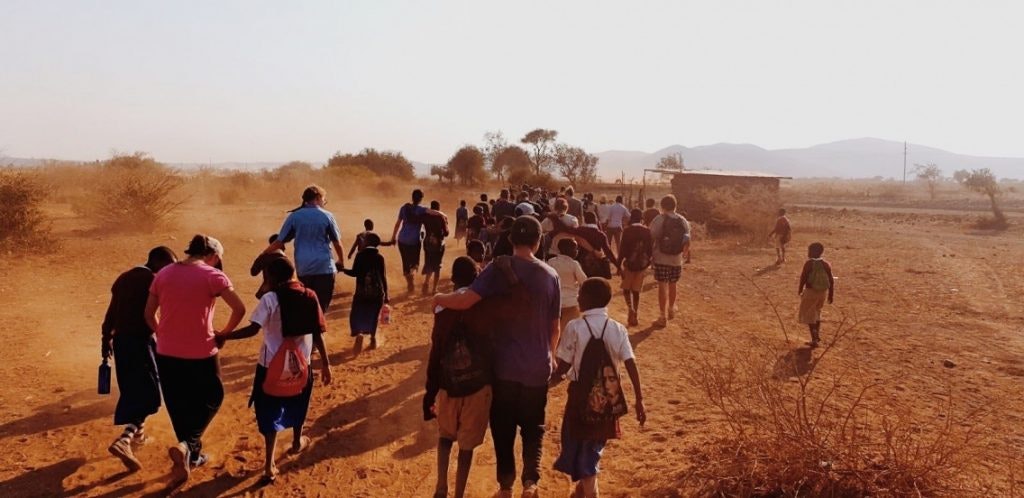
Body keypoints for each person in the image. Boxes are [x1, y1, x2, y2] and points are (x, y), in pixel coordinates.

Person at [433, 216, 561, 498]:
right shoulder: (551, 276)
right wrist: (549, 356)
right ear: (538, 242)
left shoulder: (497, 269)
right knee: (533, 427)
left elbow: (466, 300)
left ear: (511, 240)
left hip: (503, 368)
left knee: (503, 428)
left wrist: (440, 298)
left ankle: (505, 487)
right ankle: (530, 483)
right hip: (537, 367)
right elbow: (555, 327)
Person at [216, 257, 332, 484]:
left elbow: (252, 330)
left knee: (269, 411)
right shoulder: (309, 295)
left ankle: (269, 464)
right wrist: (326, 364)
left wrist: (224, 336)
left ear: (270, 277)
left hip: (270, 366)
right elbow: (317, 333)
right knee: (299, 401)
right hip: (301, 365)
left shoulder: (271, 299)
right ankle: (297, 442)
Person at [144, 235, 246, 485]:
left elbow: (148, 313)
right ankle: (189, 445)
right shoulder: (212, 275)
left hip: (167, 352)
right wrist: (223, 333)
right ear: (212, 256)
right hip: (201, 351)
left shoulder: (164, 273)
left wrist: (163, 334)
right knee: (213, 396)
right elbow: (239, 309)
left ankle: (190, 454)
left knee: (178, 402)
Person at [551, 278, 646, 498]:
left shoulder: (574, 327)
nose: (577, 297)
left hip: (579, 398)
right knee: (593, 446)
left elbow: (562, 366)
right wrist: (639, 399)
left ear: (587, 299)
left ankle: (590, 492)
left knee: (578, 445)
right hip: (607, 400)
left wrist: (546, 378)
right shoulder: (617, 328)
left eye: (580, 294)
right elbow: (630, 363)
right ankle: (583, 490)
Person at [102, 246, 178, 472]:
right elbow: (156, 315)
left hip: (121, 344)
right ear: (157, 262)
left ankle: (138, 438)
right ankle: (125, 439)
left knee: (135, 390)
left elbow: (111, 314)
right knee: (149, 394)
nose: (170, 271)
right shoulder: (154, 280)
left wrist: (105, 341)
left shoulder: (123, 278)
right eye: (169, 266)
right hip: (141, 343)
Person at [424, 257, 491, 498]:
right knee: (466, 446)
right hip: (478, 385)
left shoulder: (442, 309)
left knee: (445, 437)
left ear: (453, 279)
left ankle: (441, 486)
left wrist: (430, 391)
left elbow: (436, 351)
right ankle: (459, 493)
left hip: (448, 385)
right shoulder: (486, 305)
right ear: (477, 278)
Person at [262, 185, 345, 313]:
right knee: (321, 307)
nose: (324, 202)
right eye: (324, 199)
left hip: (304, 268)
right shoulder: (327, 216)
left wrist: (264, 254)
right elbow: (337, 242)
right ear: (317, 198)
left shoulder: (295, 217)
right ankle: (319, 330)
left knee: (306, 305)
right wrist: (341, 261)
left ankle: (309, 332)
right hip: (324, 267)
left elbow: (279, 241)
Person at [391, 189, 446, 294]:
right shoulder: (421, 209)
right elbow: (434, 212)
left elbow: (397, 224)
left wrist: (393, 237)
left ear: (412, 197)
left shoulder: (404, 208)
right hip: (414, 241)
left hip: (402, 240)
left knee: (405, 262)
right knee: (414, 262)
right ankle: (411, 275)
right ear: (421, 199)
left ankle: (409, 282)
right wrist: (443, 215)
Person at [341, 233, 389, 353]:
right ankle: (373, 338)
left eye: (364, 240)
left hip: (362, 292)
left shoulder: (360, 255)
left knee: (357, 314)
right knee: (373, 316)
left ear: (367, 242)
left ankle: (359, 334)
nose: (362, 241)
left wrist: (342, 270)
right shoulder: (379, 257)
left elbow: (354, 273)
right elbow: (383, 277)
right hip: (377, 293)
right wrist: (386, 294)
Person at [649, 195, 690, 327]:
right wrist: (684, 253)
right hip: (676, 259)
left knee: (662, 285)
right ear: (675, 205)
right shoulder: (682, 220)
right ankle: (671, 308)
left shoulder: (659, 219)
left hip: (661, 257)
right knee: (673, 284)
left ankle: (662, 315)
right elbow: (687, 239)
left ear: (662, 206)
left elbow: (652, 235)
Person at [618, 209, 653, 327]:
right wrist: (648, 263)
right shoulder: (647, 231)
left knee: (626, 289)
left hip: (629, 264)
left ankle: (630, 308)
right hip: (642, 265)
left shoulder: (627, 231)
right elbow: (650, 250)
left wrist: (618, 265)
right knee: (636, 290)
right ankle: (636, 311)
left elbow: (622, 250)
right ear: (641, 218)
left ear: (631, 218)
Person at [798, 242, 835, 348]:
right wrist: (831, 295)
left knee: (809, 316)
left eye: (809, 251)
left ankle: (814, 338)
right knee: (817, 314)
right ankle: (816, 336)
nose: (808, 253)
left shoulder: (809, 263)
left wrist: (800, 289)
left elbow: (803, 278)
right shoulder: (826, 264)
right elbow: (831, 280)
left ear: (813, 252)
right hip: (822, 293)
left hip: (810, 292)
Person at [547, 239, 588, 333]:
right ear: (569, 250)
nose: (577, 251)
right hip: (571, 303)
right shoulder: (574, 264)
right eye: (575, 248)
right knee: (570, 332)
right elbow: (584, 281)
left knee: (555, 331)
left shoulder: (551, 262)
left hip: (554, 302)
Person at [422, 200, 450, 295]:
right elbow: (446, 233)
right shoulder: (441, 217)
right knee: (437, 265)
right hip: (438, 243)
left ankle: (426, 283)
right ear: (438, 208)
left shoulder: (426, 216)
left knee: (429, 262)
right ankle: (434, 288)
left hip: (427, 242)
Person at [251, 234, 288, 299]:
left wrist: (261, 256)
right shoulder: (285, 259)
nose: (285, 247)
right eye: (283, 243)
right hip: (282, 293)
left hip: (266, 291)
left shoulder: (264, 257)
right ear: (279, 244)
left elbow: (253, 272)